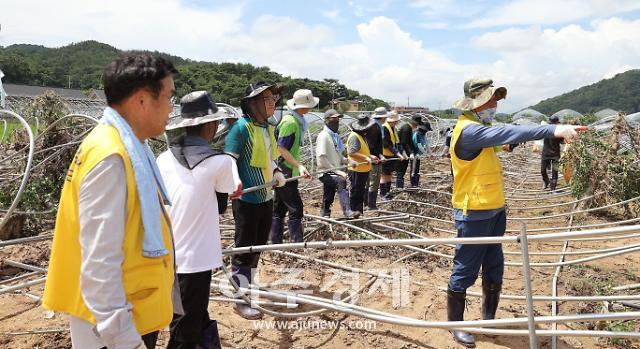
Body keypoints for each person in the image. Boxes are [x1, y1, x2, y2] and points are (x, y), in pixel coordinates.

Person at [43, 54, 180, 349]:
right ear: (142, 100)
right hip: (113, 328)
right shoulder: (112, 157)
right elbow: (99, 260)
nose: (172, 107)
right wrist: (124, 339)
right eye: (169, 97)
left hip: (127, 315)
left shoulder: (126, 147)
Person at [446, 78, 586, 347]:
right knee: (465, 268)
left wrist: (511, 144)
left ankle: (488, 318)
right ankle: (455, 325)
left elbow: (502, 142)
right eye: (491, 100)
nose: (495, 105)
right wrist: (553, 130)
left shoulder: (480, 130)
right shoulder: (468, 131)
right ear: (476, 104)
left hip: (495, 208)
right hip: (474, 211)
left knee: (494, 264)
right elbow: (506, 133)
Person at [158, 91, 242, 349]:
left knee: (186, 314)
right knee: (186, 329)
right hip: (196, 259)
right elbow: (223, 201)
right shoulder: (220, 162)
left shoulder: (163, 158)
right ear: (210, 126)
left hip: (165, 254)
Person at [224, 81, 287, 320]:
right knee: (244, 248)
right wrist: (233, 183)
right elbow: (229, 160)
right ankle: (240, 299)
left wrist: (277, 172)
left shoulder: (268, 128)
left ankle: (247, 286)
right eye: (267, 99)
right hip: (247, 199)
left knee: (258, 245)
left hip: (266, 197)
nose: (272, 103)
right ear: (252, 103)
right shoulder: (240, 129)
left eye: (273, 99)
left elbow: (270, 159)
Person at [270, 89, 316, 244]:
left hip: (287, 170)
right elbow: (281, 148)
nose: (310, 108)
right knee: (296, 208)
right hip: (285, 171)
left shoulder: (297, 120)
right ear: (302, 107)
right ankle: (297, 243)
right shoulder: (290, 122)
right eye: (309, 105)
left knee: (280, 208)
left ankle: (275, 241)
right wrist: (299, 165)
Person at [315, 109, 359, 219]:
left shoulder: (333, 137)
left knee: (329, 192)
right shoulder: (323, 136)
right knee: (340, 181)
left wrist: (349, 161)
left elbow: (340, 157)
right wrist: (337, 171)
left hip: (331, 171)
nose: (337, 121)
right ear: (326, 120)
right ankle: (347, 211)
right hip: (325, 172)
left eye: (338, 118)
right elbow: (321, 159)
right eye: (333, 118)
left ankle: (325, 213)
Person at [347, 116, 379, 215]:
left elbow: (361, 150)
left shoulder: (361, 136)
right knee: (356, 193)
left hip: (362, 170)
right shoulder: (354, 136)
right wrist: (366, 158)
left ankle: (359, 213)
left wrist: (371, 156)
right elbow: (352, 152)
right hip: (356, 169)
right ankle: (353, 213)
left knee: (360, 193)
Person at [380, 110, 407, 200]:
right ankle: (383, 194)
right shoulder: (384, 128)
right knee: (384, 175)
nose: (397, 122)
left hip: (391, 155)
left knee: (389, 174)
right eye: (396, 121)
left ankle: (388, 192)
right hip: (385, 155)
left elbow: (397, 142)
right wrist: (398, 153)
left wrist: (402, 152)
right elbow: (386, 144)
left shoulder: (394, 129)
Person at [363, 107, 387, 210]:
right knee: (374, 182)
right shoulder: (375, 128)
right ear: (382, 117)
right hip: (374, 159)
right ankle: (371, 205)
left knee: (368, 182)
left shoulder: (374, 126)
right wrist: (380, 155)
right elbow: (371, 145)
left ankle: (366, 204)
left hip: (369, 158)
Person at [396, 114, 422, 189]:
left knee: (403, 170)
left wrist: (415, 152)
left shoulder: (409, 128)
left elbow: (410, 143)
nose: (417, 127)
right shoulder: (406, 128)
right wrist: (410, 153)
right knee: (401, 170)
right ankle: (399, 188)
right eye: (417, 124)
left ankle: (409, 186)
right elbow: (404, 143)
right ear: (415, 123)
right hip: (401, 152)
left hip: (405, 152)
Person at [541, 115, 563, 190]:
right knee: (542, 170)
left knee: (555, 171)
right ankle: (546, 181)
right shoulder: (545, 130)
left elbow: (562, 141)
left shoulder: (560, 131)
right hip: (545, 154)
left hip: (556, 155)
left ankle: (553, 188)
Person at [410, 121, 432, 187]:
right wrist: (426, 154)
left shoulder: (423, 135)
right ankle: (413, 185)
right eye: (426, 130)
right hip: (414, 154)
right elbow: (418, 145)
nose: (426, 131)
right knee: (414, 169)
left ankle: (416, 184)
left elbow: (427, 144)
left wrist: (430, 153)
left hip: (419, 155)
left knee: (417, 169)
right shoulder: (417, 134)